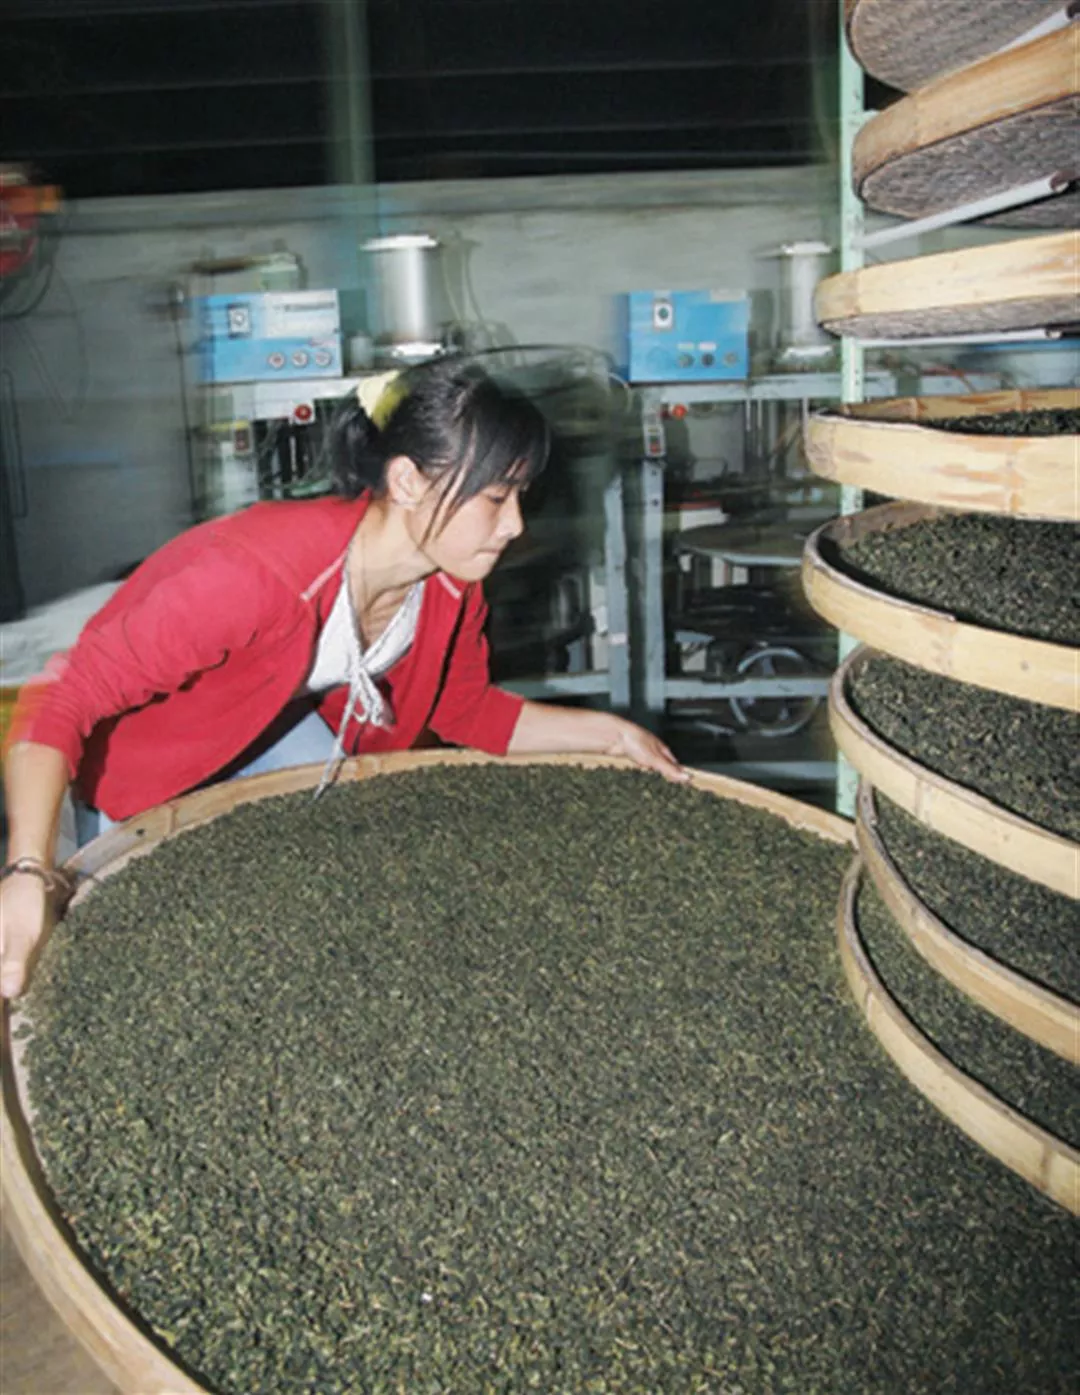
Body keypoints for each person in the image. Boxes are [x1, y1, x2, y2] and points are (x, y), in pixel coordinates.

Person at [0, 356, 685, 999]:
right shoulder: (252, 576)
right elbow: (64, 698)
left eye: (521, 496)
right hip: (137, 770)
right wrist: (28, 868)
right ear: (408, 481)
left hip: (264, 735)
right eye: (496, 497)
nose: (514, 524)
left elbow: (466, 711)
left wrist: (610, 735)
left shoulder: (449, 587)